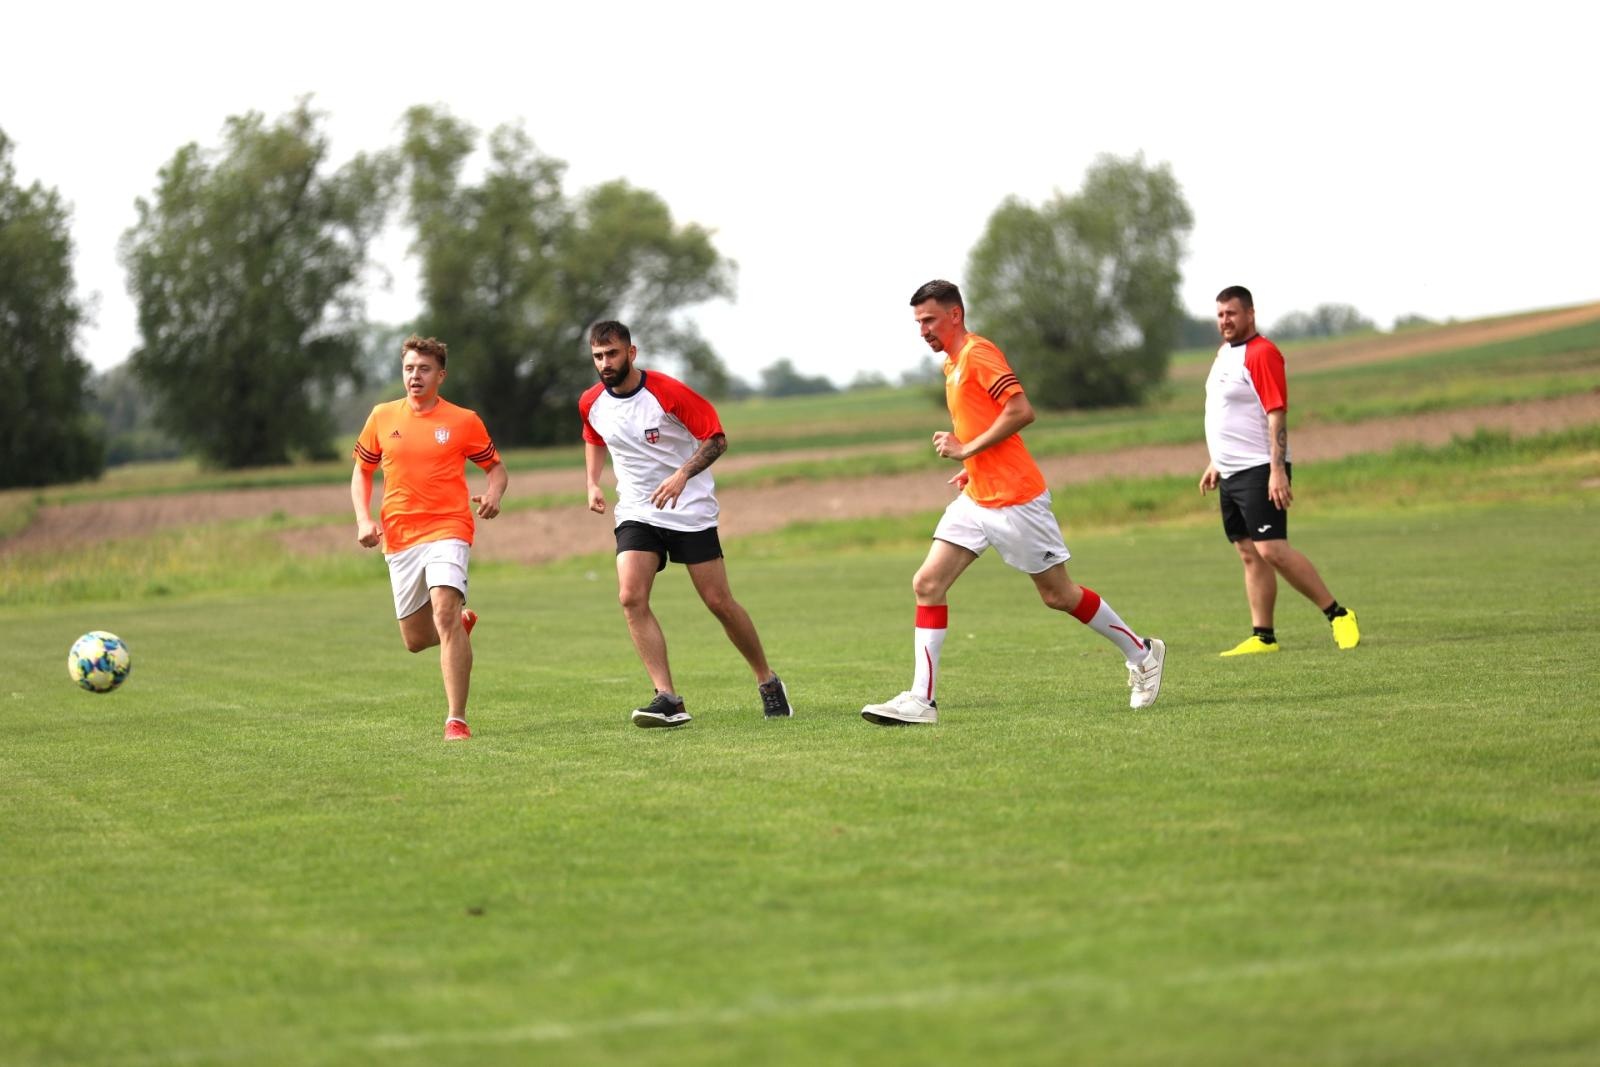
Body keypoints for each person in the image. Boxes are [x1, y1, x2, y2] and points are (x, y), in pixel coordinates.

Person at [861, 280, 1166, 725]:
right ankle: (921, 701)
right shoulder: (951, 366)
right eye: (918, 322)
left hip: (1016, 500)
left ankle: (1142, 654)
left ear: (955, 315)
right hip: (977, 498)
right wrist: (974, 463)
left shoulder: (978, 354)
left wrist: (966, 449)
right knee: (927, 583)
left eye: (928, 319)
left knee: (1058, 595)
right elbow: (987, 424)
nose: (922, 330)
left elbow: (1021, 411)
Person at [580, 320, 793, 728]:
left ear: (632, 352)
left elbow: (716, 439)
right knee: (630, 596)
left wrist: (682, 475)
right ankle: (668, 698)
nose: (605, 363)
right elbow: (592, 434)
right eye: (598, 356)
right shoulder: (591, 401)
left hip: (689, 509)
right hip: (638, 511)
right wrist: (592, 482)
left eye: (612, 354)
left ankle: (766, 680)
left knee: (718, 602)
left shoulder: (668, 393)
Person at [351, 333, 508, 740]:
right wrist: (363, 519)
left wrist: (493, 495)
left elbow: (496, 469)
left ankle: (456, 719)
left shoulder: (463, 420)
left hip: (449, 527)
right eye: (408, 368)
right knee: (417, 640)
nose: (414, 376)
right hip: (400, 536)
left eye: (423, 369)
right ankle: (458, 624)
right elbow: (362, 472)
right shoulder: (382, 417)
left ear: (441, 375)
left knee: (443, 612)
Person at [1200, 285, 1360, 655]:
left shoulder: (1262, 353)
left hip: (1260, 468)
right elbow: (1229, 413)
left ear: (1250, 314)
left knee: (1271, 548)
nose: (1225, 320)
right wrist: (1216, 461)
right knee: (1248, 551)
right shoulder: (1224, 353)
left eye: (1232, 314)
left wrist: (1277, 469)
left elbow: (1275, 413)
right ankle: (1264, 636)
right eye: (1221, 314)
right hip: (1232, 471)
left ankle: (1338, 614)